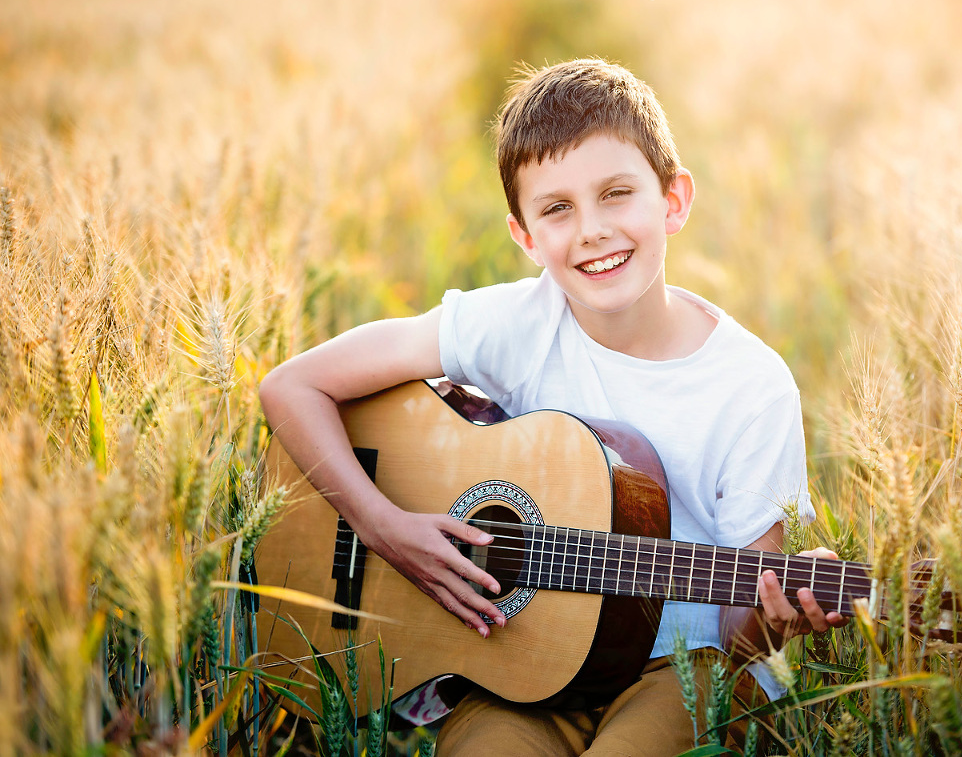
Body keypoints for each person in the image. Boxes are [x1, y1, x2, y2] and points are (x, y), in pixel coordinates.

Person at [258, 58, 845, 756]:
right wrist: (382, 526)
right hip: (522, 663)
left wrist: (779, 618)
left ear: (674, 201)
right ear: (525, 237)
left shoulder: (751, 386)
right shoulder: (517, 323)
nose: (592, 230)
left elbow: (740, 636)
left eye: (616, 193)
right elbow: (291, 387)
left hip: (685, 670)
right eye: (557, 208)